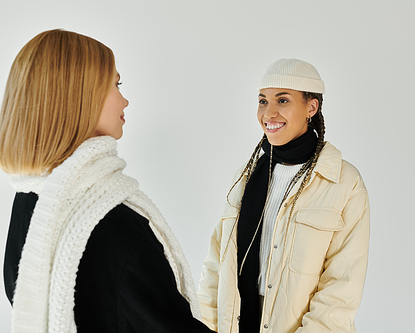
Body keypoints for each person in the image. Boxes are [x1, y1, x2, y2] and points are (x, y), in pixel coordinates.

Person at [0, 29, 214, 333]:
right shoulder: (113, 228)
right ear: (78, 96)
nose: (124, 100)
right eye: (116, 84)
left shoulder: (30, 204)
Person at [198, 59, 370, 332]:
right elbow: (216, 266)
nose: (269, 113)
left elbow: (341, 287)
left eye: (283, 101)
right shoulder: (246, 176)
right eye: (263, 101)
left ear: (311, 107)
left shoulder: (344, 182)